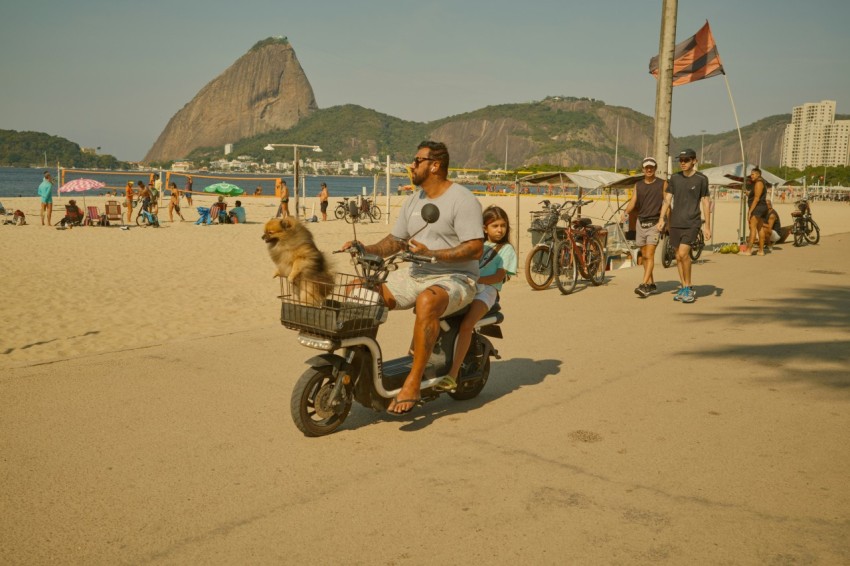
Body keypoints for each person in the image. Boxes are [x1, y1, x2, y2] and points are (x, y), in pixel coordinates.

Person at [342, 141, 484, 415]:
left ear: (434, 165)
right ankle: (357, 366)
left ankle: (414, 382)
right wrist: (366, 249)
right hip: (415, 273)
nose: (411, 165)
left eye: (417, 160)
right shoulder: (413, 199)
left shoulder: (462, 199)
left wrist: (434, 253)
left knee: (426, 302)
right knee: (359, 289)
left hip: (456, 277)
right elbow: (396, 241)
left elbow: (475, 247)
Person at [437, 205, 516, 392]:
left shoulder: (506, 249)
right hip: (468, 286)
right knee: (432, 310)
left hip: (486, 291)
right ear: (484, 228)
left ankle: (453, 375)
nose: (499, 230)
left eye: (502, 225)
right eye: (494, 225)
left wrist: (476, 279)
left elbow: (499, 276)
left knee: (466, 325)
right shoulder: (476, 245)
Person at [657, 148, 711, 304]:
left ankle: (688, 287)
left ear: (694, 161)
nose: (682, 163)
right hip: (675, 223)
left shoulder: (701, 179)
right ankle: (683, 286)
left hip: (692, 222)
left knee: (683, 254)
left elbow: (706, 202)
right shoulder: (674, 178)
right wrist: (662, 219)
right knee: (678, 257)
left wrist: (707, 226)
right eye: (680, 160)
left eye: (686, 160)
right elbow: (667, 200)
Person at [622, 157, 666, 298]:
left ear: (655, 168)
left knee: (649, 255)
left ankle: (644, 284)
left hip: (655, 223)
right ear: (643, 169)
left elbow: (667, 203)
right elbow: (633, 201)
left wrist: (665, 221)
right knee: (645, 256)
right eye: (646, 167)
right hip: (641, 223)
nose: (649, 169)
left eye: (651, 167)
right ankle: (651, 283)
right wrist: (625, 212)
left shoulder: (662, 184)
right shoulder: (638, 185)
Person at [746, 167, 769, 256]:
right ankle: (761, 251)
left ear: (758, 174)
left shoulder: (759, 183)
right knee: (760, 228)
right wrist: (749, 194)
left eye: (752, 174)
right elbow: (756, 195)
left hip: (758, 208)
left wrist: (750, 211)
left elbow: (756, 198)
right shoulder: (761, 182)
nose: (751, 176)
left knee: (753, 228)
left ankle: (748, 250)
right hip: (762, 207)